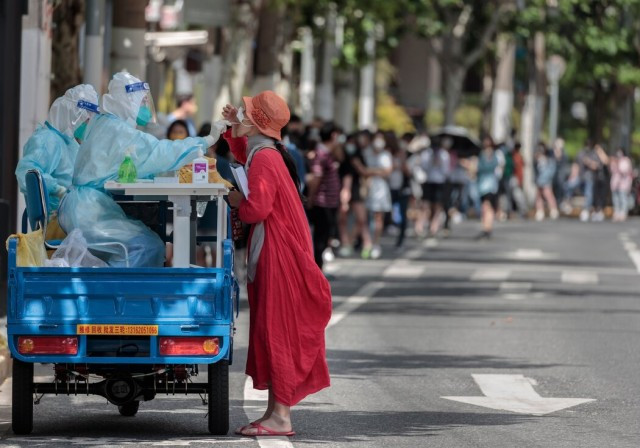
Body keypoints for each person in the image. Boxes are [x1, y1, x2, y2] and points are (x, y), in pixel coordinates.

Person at [222, 91, 332, 437]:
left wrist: (237, 199)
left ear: (256, 122)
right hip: (276, 248)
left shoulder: (265, 158)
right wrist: (229, 127)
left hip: (277, 252)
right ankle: (274, 412)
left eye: (244, 112)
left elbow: (257, 209)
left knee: (277, 329)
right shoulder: (264, 151)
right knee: (271, 328)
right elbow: (243, 153)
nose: (239, 114)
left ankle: (281, 417)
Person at [58, 72, 224, 267]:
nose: (144, 107)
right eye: (141, 101)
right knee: (147, 246)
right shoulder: (118, 131)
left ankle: (119, 293)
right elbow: (159, 152)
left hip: (85, 208)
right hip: (89, 213)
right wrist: (206, 141)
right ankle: (118, 295)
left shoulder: (106, 123)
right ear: (127, 101)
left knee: (147, 241)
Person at [16, 84, 99, 214]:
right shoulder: (47, 140)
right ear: (73, 116)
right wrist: (57, 189)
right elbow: (27, 171)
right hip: (59, 218)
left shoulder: (68, 143)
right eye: (86, 120)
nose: (88, 125)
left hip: (71, 213)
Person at [306, 122, 342, 269]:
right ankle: (316, 268)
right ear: (333, 135)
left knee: (324, 236)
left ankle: (318, 267)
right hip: (322, 203)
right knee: (320, 238)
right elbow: (316, 177)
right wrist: (311, 198)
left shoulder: (328, 152)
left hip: (329, 202)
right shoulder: (321, 153)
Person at [337, 132, 372, 258]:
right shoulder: (341, 155)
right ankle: (345, 243)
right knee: (342, 218)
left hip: (355, 188)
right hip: (342, 187)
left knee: (361, 218)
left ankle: (364, 243)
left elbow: (364, 172)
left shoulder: (357, 156)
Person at [364, 131, 393, 259]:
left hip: (381, 189)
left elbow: (387, 172)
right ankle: (367, 243)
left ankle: (376, 243)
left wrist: (371, 171)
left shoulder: (386, 155)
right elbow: (363, 170)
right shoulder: (366, 153)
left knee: (378, 217)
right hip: (367, 188)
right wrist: (376, 172)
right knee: (363, 217)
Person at [475, 136, 504, 239]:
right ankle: (486, 226)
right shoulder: (481, 154)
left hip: (491, 184)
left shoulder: (495, 154)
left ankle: (487, 227)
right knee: (485, 206)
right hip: (482, 183)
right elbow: (479, 168)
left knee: (487, 205)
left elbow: (493, 166)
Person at [421, 137, 451, 237]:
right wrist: (431, 163)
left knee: (437, 206)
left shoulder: (444, 155)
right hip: (430, 181)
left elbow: (446, 171)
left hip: (439, 182)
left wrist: (439, 164)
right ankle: (424, 226)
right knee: (427, 205)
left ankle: (434, 227)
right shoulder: (427, 154)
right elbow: (424, 167)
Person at [389, 131, 411, 248]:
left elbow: (409, 173)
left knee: (403, 213)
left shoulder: (408, 159)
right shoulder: (389, 157)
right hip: (391, 189)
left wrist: (403, 162)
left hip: (403, 190)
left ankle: (401, 237)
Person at [534, 142, 559, 221]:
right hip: (539, 180)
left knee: (548, 195)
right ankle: (540, 211)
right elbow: (536, 170)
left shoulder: (549, 159)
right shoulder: (537, 159)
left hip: (546, 180)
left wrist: (546, 179)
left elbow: (551, 171)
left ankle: (553, 210)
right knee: (539, 196)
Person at [577, 141, 600, 222]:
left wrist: (588, 162)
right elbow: (576, 164)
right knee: (569, 185)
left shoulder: (593, 154)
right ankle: (565, 202)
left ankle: (586, 210)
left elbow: (596, 166)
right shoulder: (581, 153)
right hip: (580, 177)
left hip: (590, 178)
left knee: (588, 193)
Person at [610, 148, 633, 222]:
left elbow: (624, 170)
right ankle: (617, 212)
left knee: (623, 198)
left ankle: (623, 213)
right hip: (615, 183)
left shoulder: (626, 160)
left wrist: (618, 163)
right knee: (616, 199)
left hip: (623, 184)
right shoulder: (614, 161)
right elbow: (612, 170)